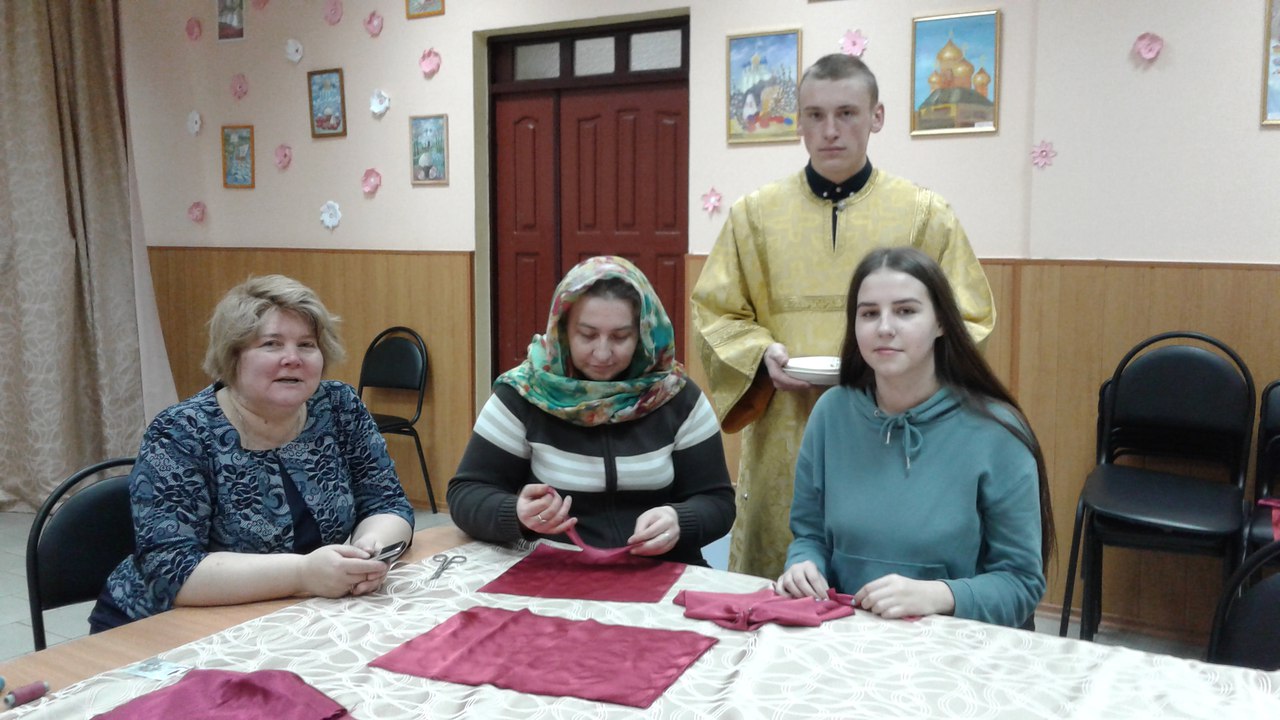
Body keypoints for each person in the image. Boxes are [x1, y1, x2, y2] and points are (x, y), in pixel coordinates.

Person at [691, 53, 996, 580]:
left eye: (847, 113)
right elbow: (717, 313)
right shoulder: (753, 216)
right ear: (799, 121)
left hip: (892, 423)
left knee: (885, 587)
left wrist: (896, 371)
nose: (830, 130)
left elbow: (969, 318)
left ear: (876, 117)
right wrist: (761, 356)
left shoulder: (924, 214)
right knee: (783, 579)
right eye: (814, 115)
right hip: (785, 424)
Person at [90, 275, 415, 631]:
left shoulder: (339, 406)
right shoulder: (181, 432)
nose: (292, 358)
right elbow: (171, 570)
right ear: (233, 357)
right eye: (271, 344)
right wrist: (303, 574)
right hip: (160, 627)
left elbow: (386, 502)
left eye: (306, 345)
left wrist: (369, 552)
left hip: (294, 615)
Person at [775, 247, 1053, 628]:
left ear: (941, 323)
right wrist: (803, 565)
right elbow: (809, 536)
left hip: (951, 644)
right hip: (844, 636)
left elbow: (1020, 584)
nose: (884, 327)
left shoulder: (998, 433)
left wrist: (937, 595)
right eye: (869, 313)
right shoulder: (830, 414)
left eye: (905, 311)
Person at [448, 256, 734, 565]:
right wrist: (516, 513)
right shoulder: (524, 395)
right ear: (562, 330)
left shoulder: (676, 397)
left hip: (663, 570)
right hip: (555, 574)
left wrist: (680, 520)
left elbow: (718, 502)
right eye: (587, 335)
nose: (602, 352)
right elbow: (467, 494)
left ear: (644, 335)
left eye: (620, 337)